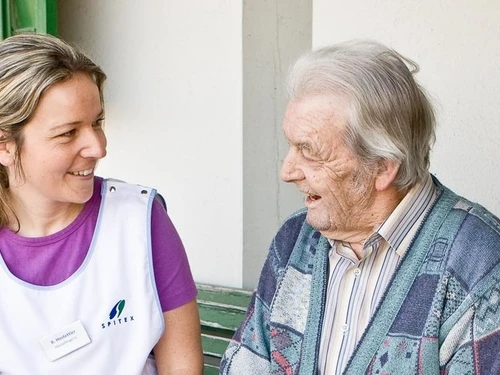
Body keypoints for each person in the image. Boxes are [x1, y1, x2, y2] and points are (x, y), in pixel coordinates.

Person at [221, 40, 500, 374]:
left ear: (382, 166)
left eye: (309, 151)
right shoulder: (295, 240)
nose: (287, 172)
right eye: (291, 146)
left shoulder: (480, 266)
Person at [0, 33, 203, 374]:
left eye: (97, 123)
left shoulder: (139, 220)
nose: (98, 147)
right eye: (68, 132)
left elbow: (182, 365)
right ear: (5, 146)